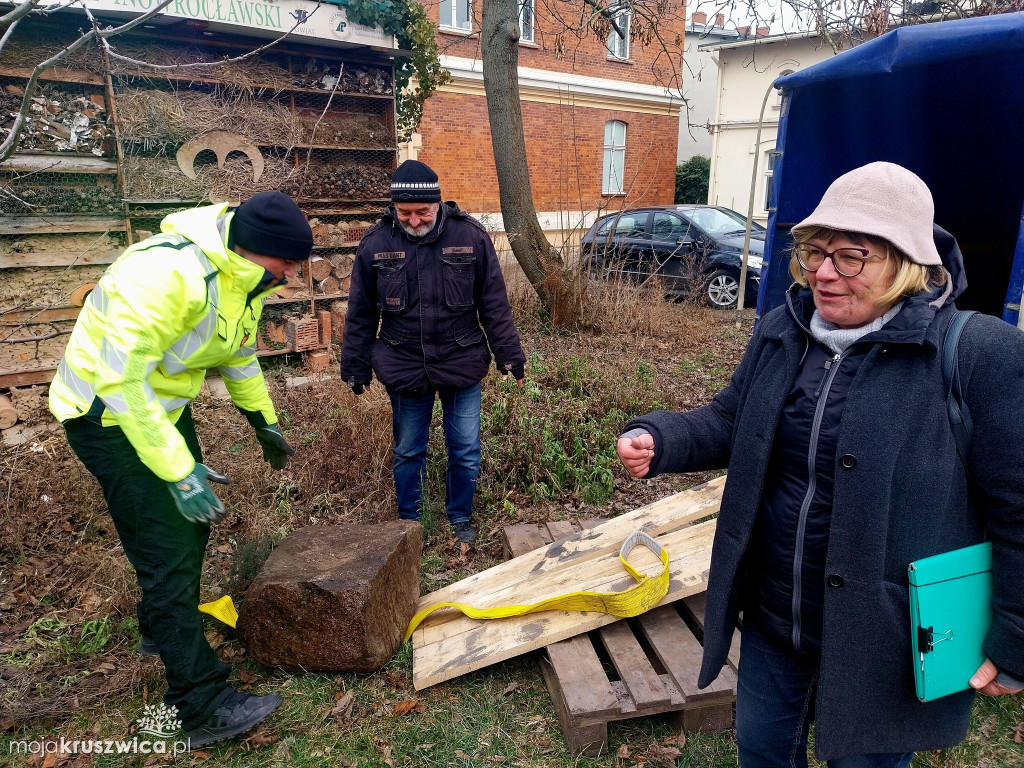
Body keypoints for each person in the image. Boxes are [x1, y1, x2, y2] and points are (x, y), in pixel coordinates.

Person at [616, 162, 1024, 767]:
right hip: (777, 619)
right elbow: (734, 419)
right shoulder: (786, 330)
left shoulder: (977, 354)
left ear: (906, 263)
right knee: (760, 753)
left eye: (850, 257)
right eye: (815, 253)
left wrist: (1015, 640)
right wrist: (661, 436)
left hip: (884, 638)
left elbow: (1018, 510)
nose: (823, 274)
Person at [49, 191, 314, 747]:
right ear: (252, 248)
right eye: (287, 261)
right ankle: (199, 705)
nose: (293, 273)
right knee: (166, 551)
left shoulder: (245, 281)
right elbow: (121, 382)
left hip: (157, 410)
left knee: (191, 529)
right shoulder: (166, 274)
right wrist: (177, 469)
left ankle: (160, 630)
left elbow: (238, 355)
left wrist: (261, 421)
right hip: (107, 417)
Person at [340, 160, 526, 544]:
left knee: (466, 449)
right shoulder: (375, 244)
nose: (413, 220)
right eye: (404, 212)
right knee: (409, 450)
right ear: (394, 208)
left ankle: (460, 518)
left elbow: (493, 304)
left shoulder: (471, 237)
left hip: (461, 361)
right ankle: (411, 525)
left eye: (422, 211)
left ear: (438, 203)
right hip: (404, 364)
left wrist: (509, 354)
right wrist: (355, 366)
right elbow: (360, 312)